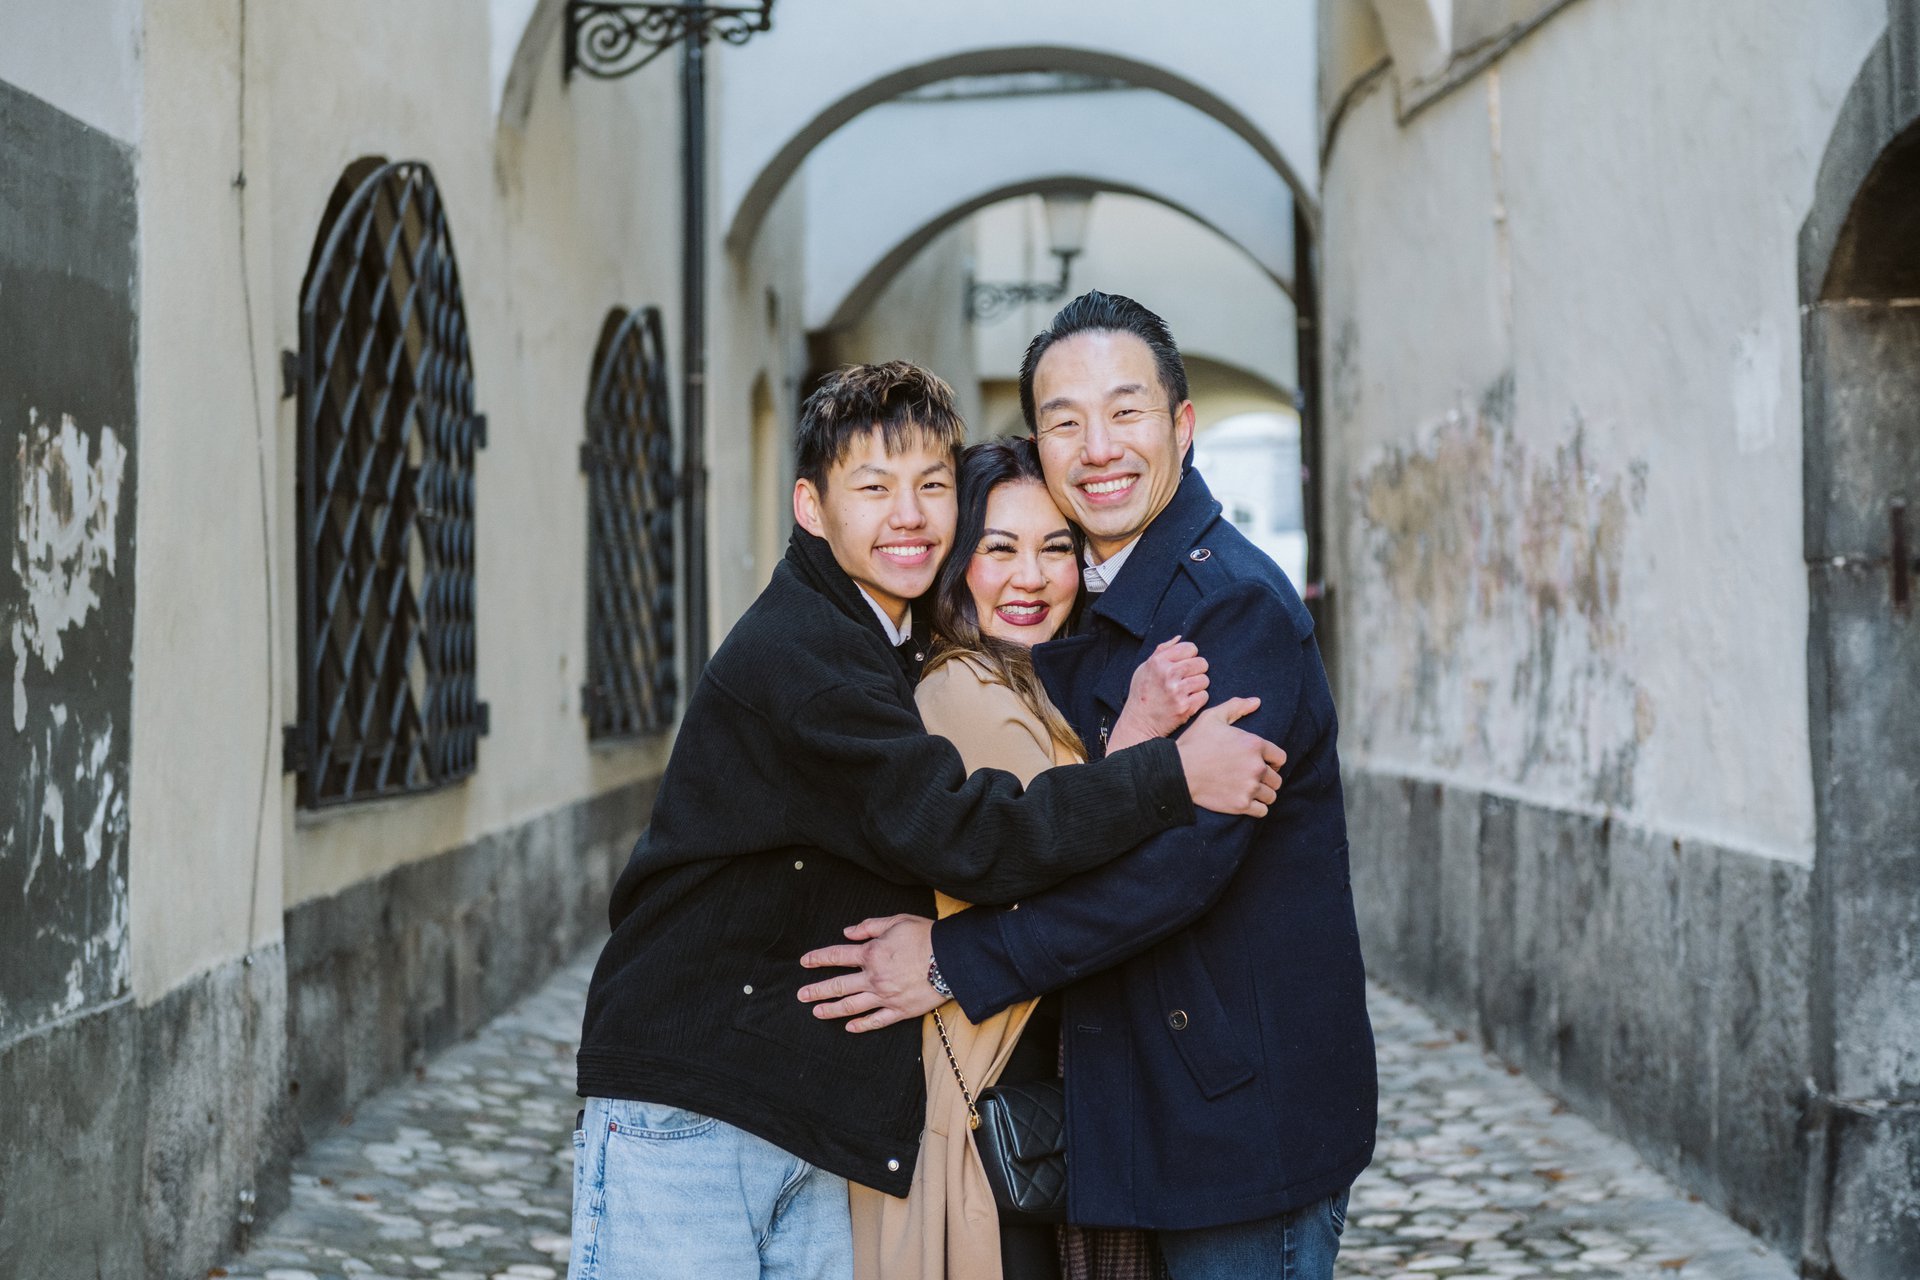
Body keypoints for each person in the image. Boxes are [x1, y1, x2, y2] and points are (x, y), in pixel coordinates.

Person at [568, 360, 1289, 1280]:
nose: (908, 515)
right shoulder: (811, 655)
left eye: (932, 486)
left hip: (799, 1109)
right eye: (874, 488)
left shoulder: (885, 641)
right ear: (811, 507)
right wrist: (1168, 772)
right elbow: (971, 836)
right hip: (694, 1107)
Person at [799, 296, 1379, 1280]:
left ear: (1181, 426)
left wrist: (951, 960)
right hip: (1146, 1110)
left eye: (1125, 411)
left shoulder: (1227, 606)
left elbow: (1170, 875)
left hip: (1238, 1124)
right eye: (1065, 421)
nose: (1098, 447)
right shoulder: (1091, 611)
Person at [848, 437, 1205, 1280]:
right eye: (1000, 549)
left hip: (1035, 1080)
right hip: (988, 1092)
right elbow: (1071, 857)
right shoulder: (962, 687)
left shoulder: (1034, 681)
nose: (1032, 578)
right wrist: (1148, 740)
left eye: (1056, 549)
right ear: (956, 564)